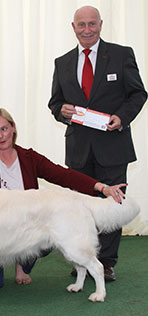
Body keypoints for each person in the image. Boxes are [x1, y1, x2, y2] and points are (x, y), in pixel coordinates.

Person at [0, 107, 126, 291]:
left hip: (28, 228)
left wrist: (102, 187)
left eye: (4, 129)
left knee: (51, 226)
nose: (0, 136)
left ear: (13, 128)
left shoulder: (29, 158)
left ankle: (22, 267)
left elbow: (64, 175)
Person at [48, 6, 147, 281]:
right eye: (82, 25)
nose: (87, 29)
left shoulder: (121, 54)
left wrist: (121, 118)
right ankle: (83, 257)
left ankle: (106, 262)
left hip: (113, 147)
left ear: (101, 25)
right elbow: (55, 103)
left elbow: (138, 93)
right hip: (79, 150)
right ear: (73, 27)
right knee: (79, 207)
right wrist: (62, 112)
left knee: (112, 204)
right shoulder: (62, 62)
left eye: (92, 24)